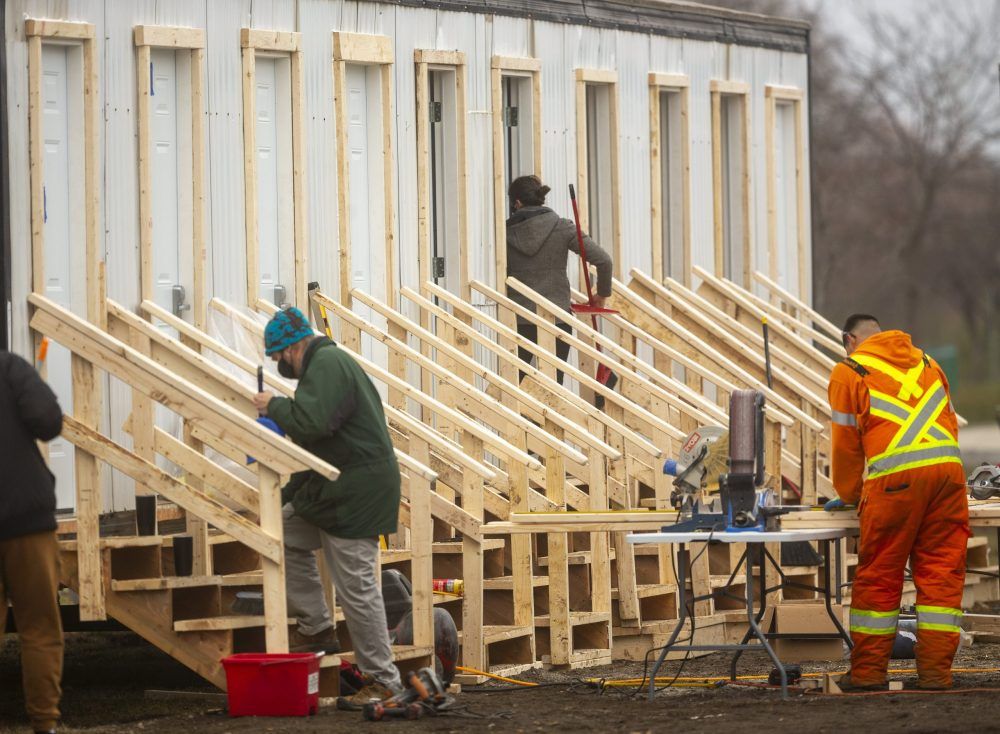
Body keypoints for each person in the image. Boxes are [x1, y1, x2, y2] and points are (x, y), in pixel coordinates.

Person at [252, 307, 403, 708]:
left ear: (293, 346)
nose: (278, 366)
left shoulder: (328, 363)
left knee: (357, 589)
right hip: (336, 489)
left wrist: (273, 407)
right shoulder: (321, 368)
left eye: (278, 357)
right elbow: (314, 449)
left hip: (355, 495)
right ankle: (317, 627)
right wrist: (280, 500)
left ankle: (384, 681)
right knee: (279, 531)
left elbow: (312, 424)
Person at [826, 314, 967, 691]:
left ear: (849, 339)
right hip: (949, 476)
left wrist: (850, 495)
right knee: (941, 574)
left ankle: (868, 674)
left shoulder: (850, 369)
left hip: (894, 485)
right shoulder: (927, 362)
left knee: (880, 576)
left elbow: (846, 446)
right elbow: (949, 423)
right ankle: (937, 676)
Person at [0, 349, 65, 734]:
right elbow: (48, 421)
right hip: (28, 520)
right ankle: (45, 723)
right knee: (39, 627)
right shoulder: (9, 367)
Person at [505, 175, 613, 384]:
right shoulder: (562, 227)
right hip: (558, 318)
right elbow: (604, 261)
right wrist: (602, 294)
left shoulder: (503, 232)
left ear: (517, 203)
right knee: (554, 383)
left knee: (516, 384)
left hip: (519, 319)